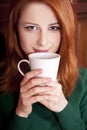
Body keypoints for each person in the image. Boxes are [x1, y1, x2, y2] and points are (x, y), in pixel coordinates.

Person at [0, 0, 87, 130]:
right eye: (31, 27)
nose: (43, 41)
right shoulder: (2, 80)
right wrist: (21, 113)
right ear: (16, 30)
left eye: (54, 28)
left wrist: (63, 108)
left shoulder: (83, 80)